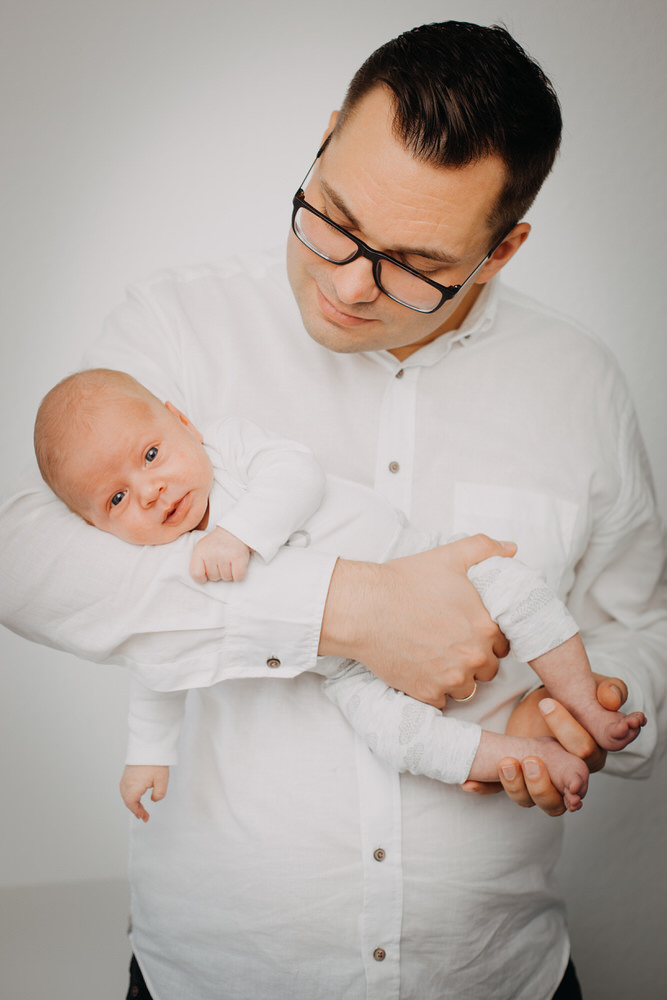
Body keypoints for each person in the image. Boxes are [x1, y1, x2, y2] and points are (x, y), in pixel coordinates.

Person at [1, 20, 665, 1000]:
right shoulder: (173, 332)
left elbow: (635, 622)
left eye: (413, 262)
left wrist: (578, 713)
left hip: (498, 978)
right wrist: (345, 610)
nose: (348, 283)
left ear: (502, 248)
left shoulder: (581, 382)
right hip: (210, 979)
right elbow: (27, 561)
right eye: (333, 217)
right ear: (322, 140)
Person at [34, 368, 646, 820]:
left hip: (421, 560)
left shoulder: (229, 449)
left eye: (150, 454)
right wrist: (147, 753)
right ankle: (523, 756)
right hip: (348, 670)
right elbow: (158, 658)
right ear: (95, 527)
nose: (148, 491)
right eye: (115, 498)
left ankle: (585, 704)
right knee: (392, 735)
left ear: (182, 422)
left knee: (510, 579)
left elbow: (297, 473)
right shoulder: (158, 559)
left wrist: (238, 534)